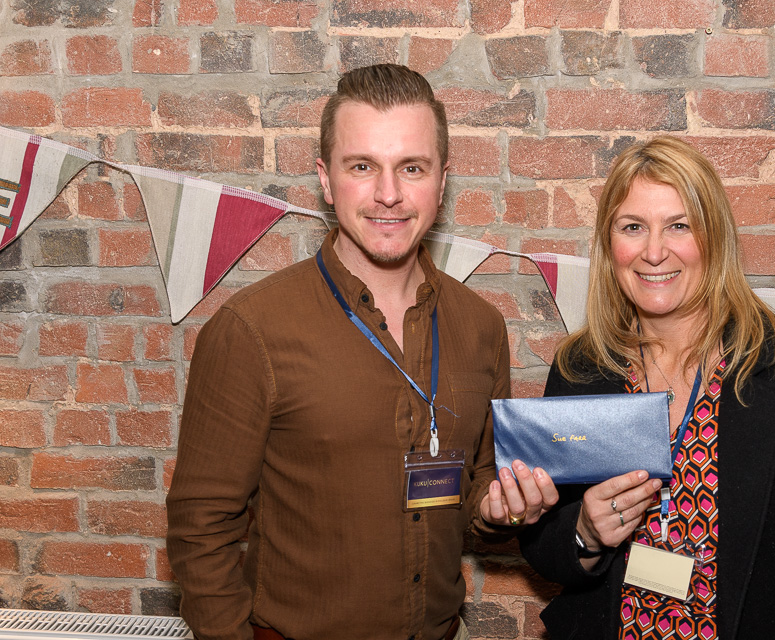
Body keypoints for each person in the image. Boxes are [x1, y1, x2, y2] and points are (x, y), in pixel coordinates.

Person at [166, 64, 557, 640]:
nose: (388, 194)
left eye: (412, 168)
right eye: (362, 167)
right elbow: (200, 528)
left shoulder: (480, 327)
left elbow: (476, 487)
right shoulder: (251, 329)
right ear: (326, 180)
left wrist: (501, 510)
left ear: (441, 182)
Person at [519, 136, 775, 639]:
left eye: (679, 225)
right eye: (632, 227)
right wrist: (586, 534)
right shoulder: (583, 367)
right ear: (609, 244)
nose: (653, 252)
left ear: (714, 237)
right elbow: (546, 543)